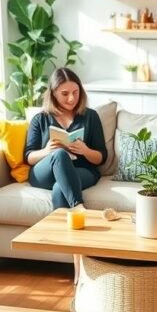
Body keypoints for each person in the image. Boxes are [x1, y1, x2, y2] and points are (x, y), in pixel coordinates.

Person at [25, 68, 107, 209]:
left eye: (75, 92)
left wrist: (85, 150)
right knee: (59, 154)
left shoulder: (91, 116)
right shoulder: (40, 119)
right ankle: (78, 206)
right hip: (45, 173)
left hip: (82, 170)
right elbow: (28, 157)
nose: (71, 98)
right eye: (65, 94)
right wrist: (46, 151)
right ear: (53, 94)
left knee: (60, 187)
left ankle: (62, 230)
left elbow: (101, 157)